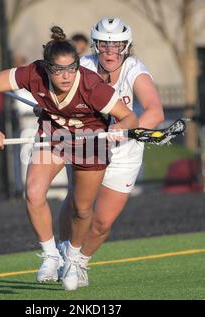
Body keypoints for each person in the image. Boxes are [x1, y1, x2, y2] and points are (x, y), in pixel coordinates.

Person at [0, 26, 138, 290]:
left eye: (71, 68)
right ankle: (51, 255)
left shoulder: (92, 85)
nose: (66, 76)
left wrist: (119, 128)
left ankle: (73, 259)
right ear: (47, 67)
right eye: (58, 70)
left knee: (82, 208)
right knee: (33, 192)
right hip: (54, 134)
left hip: (90, 140)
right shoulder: (33, 73)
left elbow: (129, 117)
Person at [57, 18, 165, 290]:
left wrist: (127, 129)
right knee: (77, 205)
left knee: (102, 222)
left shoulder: (134, 70)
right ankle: (63, 253)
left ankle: (80, 262)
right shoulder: (84, 66)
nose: (110, 52)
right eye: (104, 45)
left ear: (126, 47)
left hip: (124, 153)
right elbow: (60, 97)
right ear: (96, 46)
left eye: (117, 45)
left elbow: (154, 111)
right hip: (87, 147)